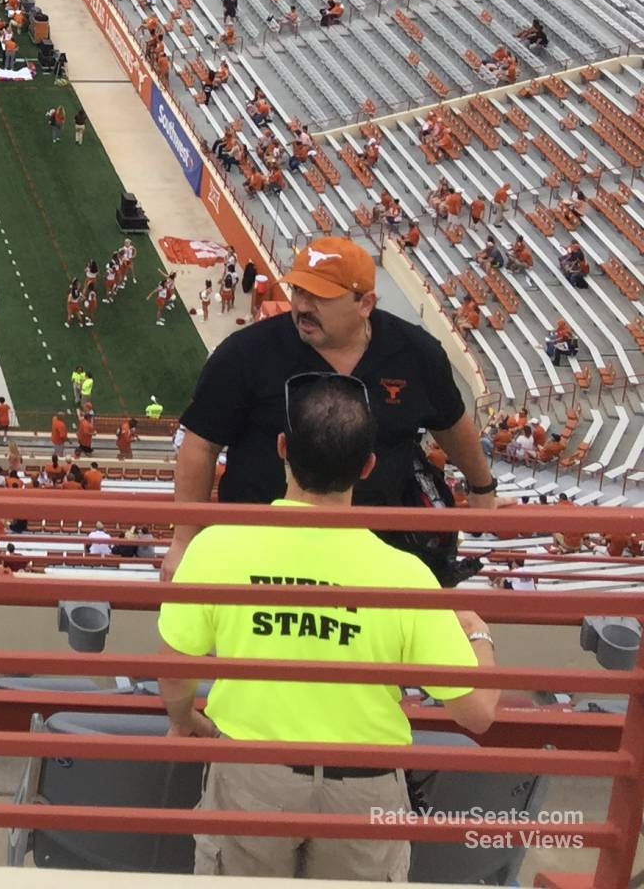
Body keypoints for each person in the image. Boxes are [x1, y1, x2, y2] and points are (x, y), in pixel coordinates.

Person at [159, 374, 497, 880]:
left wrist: (186, 718)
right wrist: (478, 633)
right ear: (367, 465)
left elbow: (174, 668)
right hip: (365, 789)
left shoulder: (218, 546)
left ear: (282, 449)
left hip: (253, 777)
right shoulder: (405, 576)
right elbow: (478, 713)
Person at [168, 236, 496, 582]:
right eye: (298, 292)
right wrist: (183, 540)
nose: (303, 306)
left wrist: (482, 490)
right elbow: (201, 444)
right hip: (261, 554)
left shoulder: (416, 353)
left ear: (365, 303)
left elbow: (451, 423)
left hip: (375, 557)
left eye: (320, 297)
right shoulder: (246, 352)